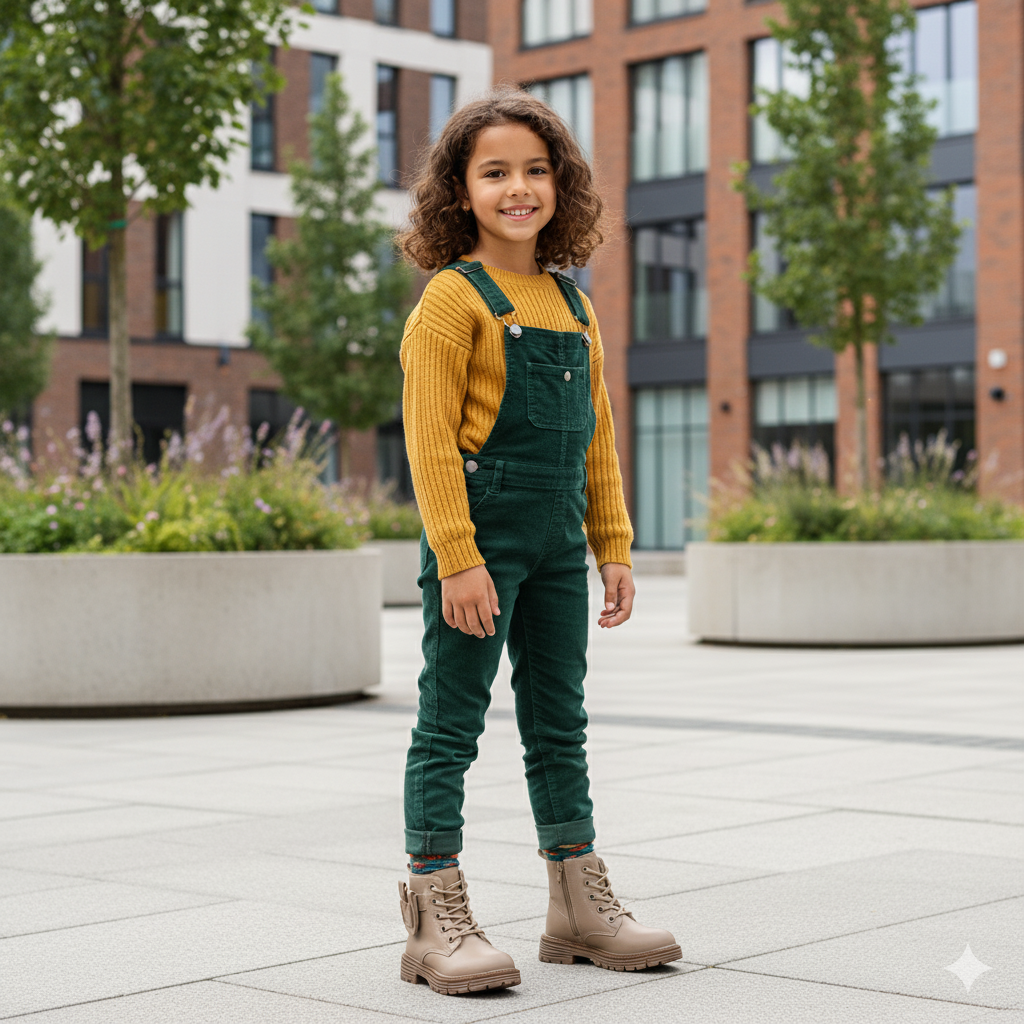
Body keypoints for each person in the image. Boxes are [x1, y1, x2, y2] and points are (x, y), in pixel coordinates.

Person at [395, 87, 681, 996]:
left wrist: (615, 544)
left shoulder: (572, 302)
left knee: (560, 723)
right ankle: (434, 915)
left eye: (535, 169)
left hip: (559, 539)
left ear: (560, 184)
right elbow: (429, 440)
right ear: (461, 190)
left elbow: (596, 432)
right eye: (495, 173)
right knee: (451, 723)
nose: (518, 188)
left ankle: (577, 907)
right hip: (482, 542)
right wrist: (459, 557)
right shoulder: (451, 300)